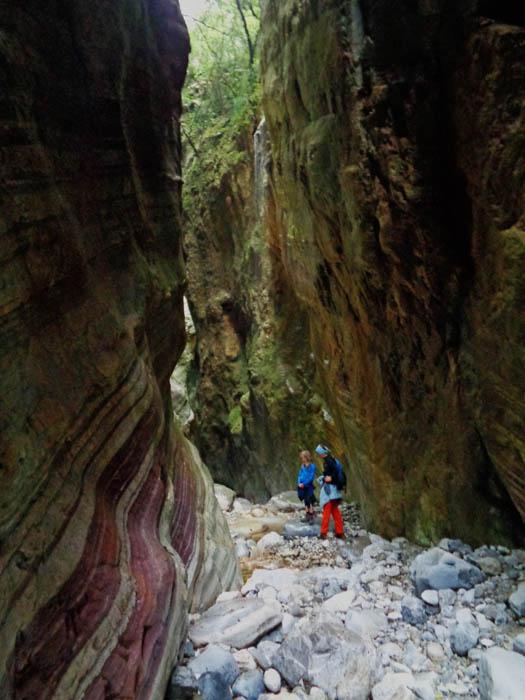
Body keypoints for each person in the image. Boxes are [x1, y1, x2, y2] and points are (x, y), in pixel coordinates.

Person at [315, 444, 345, 540]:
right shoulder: (331, 460)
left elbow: (334, 473)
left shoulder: (328, 461)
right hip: (334, 491)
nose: (317, 455)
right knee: (335, 511)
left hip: (329, 491)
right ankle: (340, 533)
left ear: (321, 453)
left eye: (318, 453)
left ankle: (323, 533)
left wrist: (329, 478)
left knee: (326, 511)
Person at [297, 449, 316, 521]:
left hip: (308, 485)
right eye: (301, 458)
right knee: (305, 500)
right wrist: (299, 483)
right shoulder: (302, 466)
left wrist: (304, 484)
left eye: (302, 457)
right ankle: (307, 514)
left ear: (306, 457)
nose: (302, 459)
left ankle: (311, 515)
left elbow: (311, 477)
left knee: (310, 499)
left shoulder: (312, 466)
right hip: (302, 486)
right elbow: (300, 475)